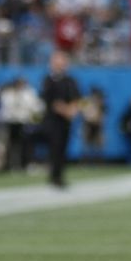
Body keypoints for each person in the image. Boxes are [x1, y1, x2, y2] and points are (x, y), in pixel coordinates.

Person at [41, 51, 80, 188]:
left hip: (66, 122)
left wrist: (73, 110)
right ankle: (54, 176)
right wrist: (66, 110)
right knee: (55, 148)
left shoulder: (70, 80)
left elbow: (76, 98)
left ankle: (60, 175)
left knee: (63, 148)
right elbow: (51, 101)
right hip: (53, 121)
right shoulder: (49, 80)